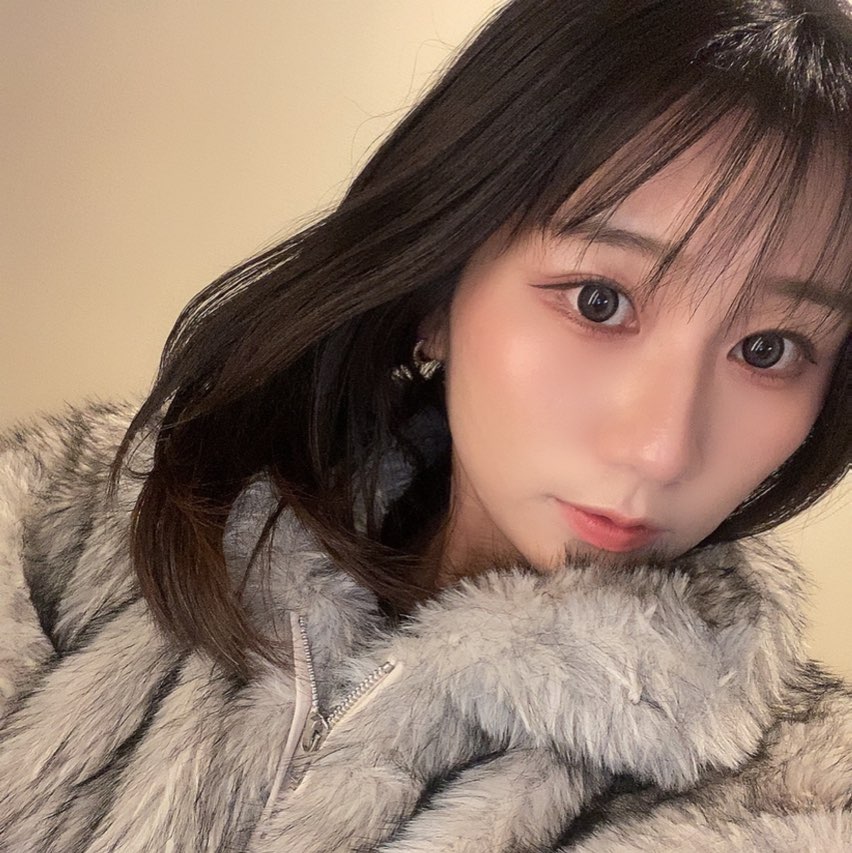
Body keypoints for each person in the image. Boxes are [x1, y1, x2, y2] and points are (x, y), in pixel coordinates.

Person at [1, 0, 850, 850]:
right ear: (437, 291)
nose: (660, 448)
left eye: (768, 349)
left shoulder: (794, 804)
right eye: (600, 301)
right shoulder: (56, 537)